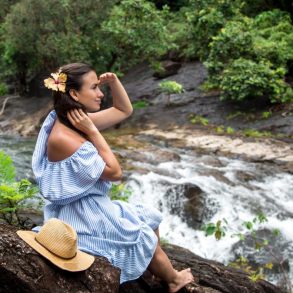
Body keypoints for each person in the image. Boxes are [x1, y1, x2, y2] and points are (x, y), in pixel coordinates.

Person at [32, 62, 194, 292]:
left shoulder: (70, 118)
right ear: (75, 94)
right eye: (95, 88)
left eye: (100, 87)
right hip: (82, 213)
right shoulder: (66, 137)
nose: (100, 94)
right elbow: (116, 173)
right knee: (142, 235)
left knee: (148, 217)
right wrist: (94, 132)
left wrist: (115, 83)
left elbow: (123, 111)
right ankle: (174, 280)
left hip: (93, 203)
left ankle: (152, 268)